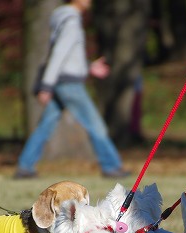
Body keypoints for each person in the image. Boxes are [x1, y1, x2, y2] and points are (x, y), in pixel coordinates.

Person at [15, 0, 129, 179]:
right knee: (95, 124)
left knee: (45, 125)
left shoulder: (62, 19)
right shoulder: (71, 21)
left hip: (62, 81)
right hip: (69, 84)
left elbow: (68, 56)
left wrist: (88, 67)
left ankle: (25, 166)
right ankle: (111, 166)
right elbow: (59, 54)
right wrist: (46, 85)